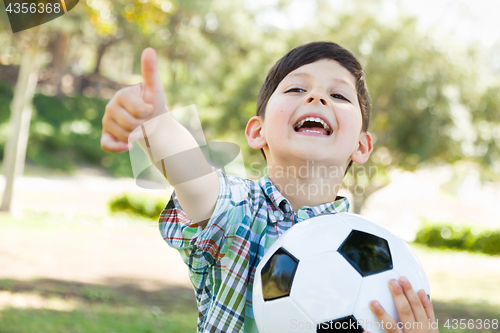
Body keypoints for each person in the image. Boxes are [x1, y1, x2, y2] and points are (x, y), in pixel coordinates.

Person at [101, 41, 439, 333]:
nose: (317, 97)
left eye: (337, 94)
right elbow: (194, 177)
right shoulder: (238, 212)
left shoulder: (377, 254)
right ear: (256, 132)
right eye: (296, 89)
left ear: (362, 146)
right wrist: (156, 124)